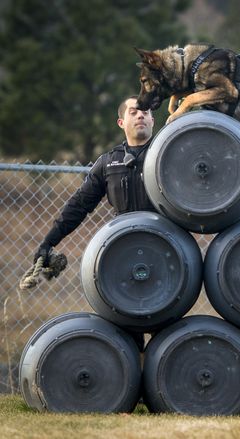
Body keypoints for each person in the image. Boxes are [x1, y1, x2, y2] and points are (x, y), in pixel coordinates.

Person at [33, 95, 156, 351]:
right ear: (121, 122)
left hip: (165, 249)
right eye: (134, 112)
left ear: (154, 120)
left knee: (164, 325)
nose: (141, 115)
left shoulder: (170, 155)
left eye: (145, 111)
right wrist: (49, 242)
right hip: (123, 252)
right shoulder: (108, 162)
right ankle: (133, 384)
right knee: (127, 326)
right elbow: (79, 206)